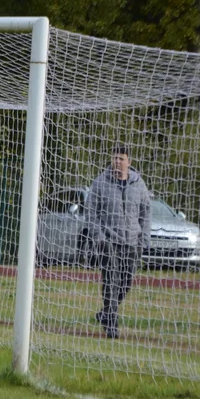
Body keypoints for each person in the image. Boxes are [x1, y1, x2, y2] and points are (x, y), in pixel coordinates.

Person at [86, 144, 151, 339]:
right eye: (114, 158)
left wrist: (144, 239)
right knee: (110, 281)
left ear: (128, 162)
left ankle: (105, 313)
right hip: (109, 241)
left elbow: (145, 212)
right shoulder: (100, 183)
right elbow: (91, 212)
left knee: (125, 283)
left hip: (131, 241)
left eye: (121, 158)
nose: (117, 161)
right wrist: (99, 237)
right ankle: (112, 324)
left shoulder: (139, 184)